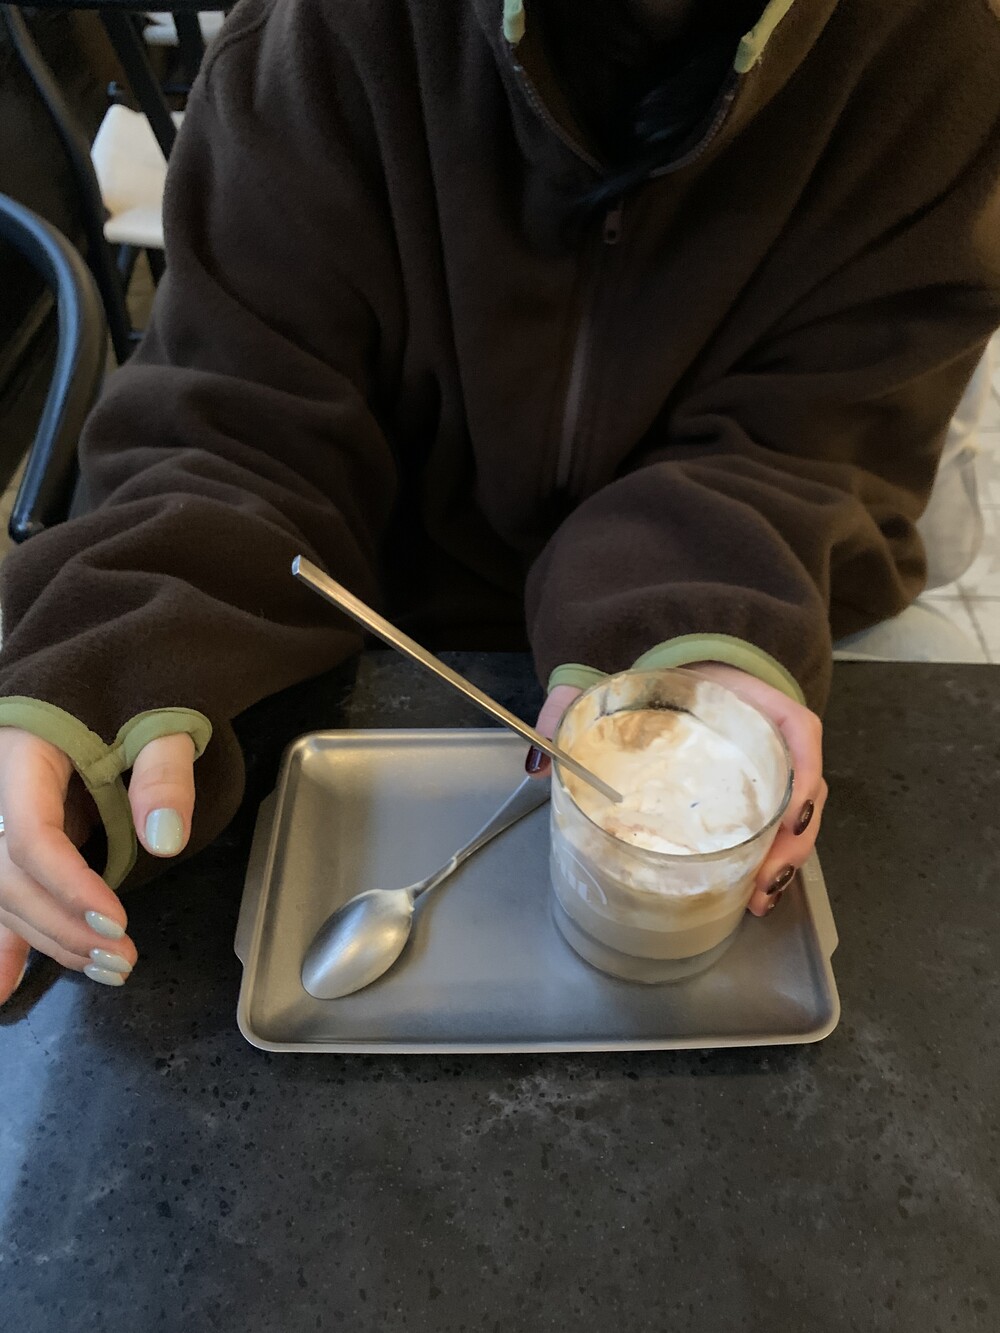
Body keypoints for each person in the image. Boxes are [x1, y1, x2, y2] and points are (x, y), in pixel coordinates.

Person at [0, 0, 998, 1002]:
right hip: (365, 635)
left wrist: (696, 628)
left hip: (750, 621)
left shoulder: (943, 72)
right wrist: (119, 649)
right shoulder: (317, 37)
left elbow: (815, 444)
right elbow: (238, 418)